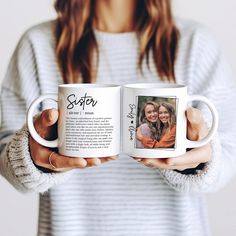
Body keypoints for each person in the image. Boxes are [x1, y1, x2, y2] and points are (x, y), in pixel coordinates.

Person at [0, 0, 236, 235]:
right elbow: (6, 158)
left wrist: (199, 161)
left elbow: (228, 153)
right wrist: (33, 158)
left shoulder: (196, 43)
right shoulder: (37, 44)